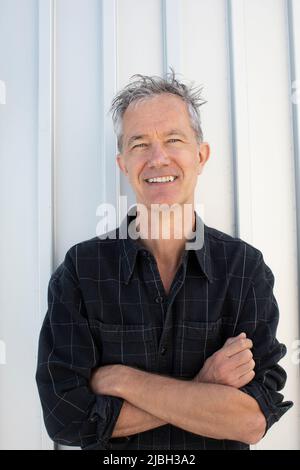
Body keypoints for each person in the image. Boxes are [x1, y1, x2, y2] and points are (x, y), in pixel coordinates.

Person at [36, 71, 292, 450]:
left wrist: (121, 379)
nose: (158, 158)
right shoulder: (82, 270)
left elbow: (251, 420)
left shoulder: (243, 269)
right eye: (140, 143)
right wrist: (204, 389)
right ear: (123, 163)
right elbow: (67, 419)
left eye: (174, 139)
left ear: (201, 156)